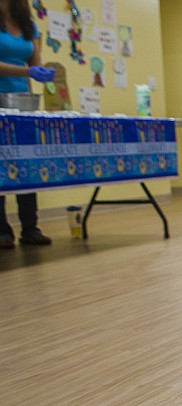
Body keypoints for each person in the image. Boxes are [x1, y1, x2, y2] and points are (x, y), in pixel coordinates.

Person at [0, 0, 55, 248]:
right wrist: (27, 72)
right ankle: (1, 230)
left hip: (22, 101)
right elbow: (28, 70)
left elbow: (35, 63)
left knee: (26, 164)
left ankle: (30, 227)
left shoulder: (28, 25)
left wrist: (40, 77)